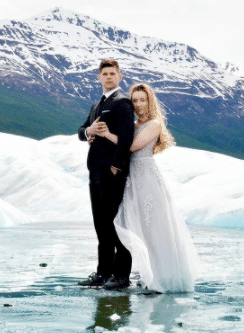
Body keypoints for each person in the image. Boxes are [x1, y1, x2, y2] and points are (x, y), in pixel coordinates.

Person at [94, 83, 199, 293]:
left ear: (150, 101)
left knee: (154, 229)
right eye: (135, 100)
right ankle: (140, 274)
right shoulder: (132, 124)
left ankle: (163, 278)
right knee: (136, 227)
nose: (139, 104)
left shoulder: (154, 124)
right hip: (131, 178)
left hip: (148, 179)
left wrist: (107, 135)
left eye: (143, 100)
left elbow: (130, 146)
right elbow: (120, 142)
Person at [77, 59, 135, 290]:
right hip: (95, 173)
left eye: (113, 73)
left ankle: (121, 276)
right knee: (100, 224)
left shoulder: (123, 103)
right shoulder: (95, 106)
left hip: (112, 173)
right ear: (99, 77)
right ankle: (103, 273)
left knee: (115, 223)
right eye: (105, 73)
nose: (109, 77)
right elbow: (81, 131)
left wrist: (116, 167)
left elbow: (127, 138)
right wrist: (88, 131)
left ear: (120, 77)